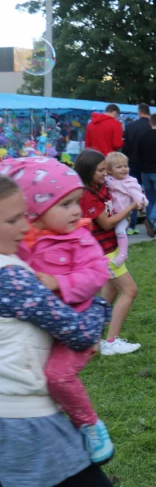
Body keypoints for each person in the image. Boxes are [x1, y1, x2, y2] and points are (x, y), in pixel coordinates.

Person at [0, 174, 130, 487]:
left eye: (25, 215)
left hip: (10, 415)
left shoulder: (16, 267)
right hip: (28, 419)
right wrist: (97, 303)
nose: (26, 226)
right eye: (13, 220)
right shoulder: (12, 277)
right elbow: (76, 331)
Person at [2, 157, 115, 465]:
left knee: (57, 377)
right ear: (35, 211)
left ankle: (90, 425)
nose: (77, 211)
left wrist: (59, 281)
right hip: (49, 327)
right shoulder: (21, 242)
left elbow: (97, 275)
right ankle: (36, 460)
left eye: (77, 202)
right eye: (65, 204)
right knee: (35, 384)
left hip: (76, 322)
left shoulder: (80, 238)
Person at [76, 150, 141, 356]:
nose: (106, 174)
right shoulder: (87, 195)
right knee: (130, 291)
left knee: (110, 292)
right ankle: (111, 342)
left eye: (106, 169)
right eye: (101, 170)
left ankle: (94, 338)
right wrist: (131, 206)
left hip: (110, 247)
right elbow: (106, 223)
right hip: (103, 252)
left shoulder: (100, 186)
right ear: (88, 172)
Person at [104, 152, 147, 268]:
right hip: (111, 213)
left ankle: (123, 254)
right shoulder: (107, 180)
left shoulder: (130, 182)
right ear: (109, 171)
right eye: (119, 167)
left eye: (125, 166)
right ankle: (113, 253)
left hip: (123, 215)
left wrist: (141, 203)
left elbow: (139, 196)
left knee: (120, 230)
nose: (124, 169)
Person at [121, 103, 151, 234]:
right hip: (149, 164)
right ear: (148, 113)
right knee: (151, 194)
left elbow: (125, 148)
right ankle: (154, 220)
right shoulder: (152, 127)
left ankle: (131, 225)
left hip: (132, 164)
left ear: (139, 113)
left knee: (132, 194)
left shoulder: (130, 127)